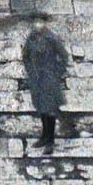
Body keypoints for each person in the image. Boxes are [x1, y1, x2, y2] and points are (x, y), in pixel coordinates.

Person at [21, 18, 70, 150]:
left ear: (44, 23)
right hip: (37, 79)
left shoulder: (51, 38)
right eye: (35, 22)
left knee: (50, 110)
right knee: (41, 108)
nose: (37, 25)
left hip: (49, 79)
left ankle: (50, 140)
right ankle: (44, 136)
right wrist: (30, 71)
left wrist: (56, 72)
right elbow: (25, 56)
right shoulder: (31, 38)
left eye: (40, 22)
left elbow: (64, 56)